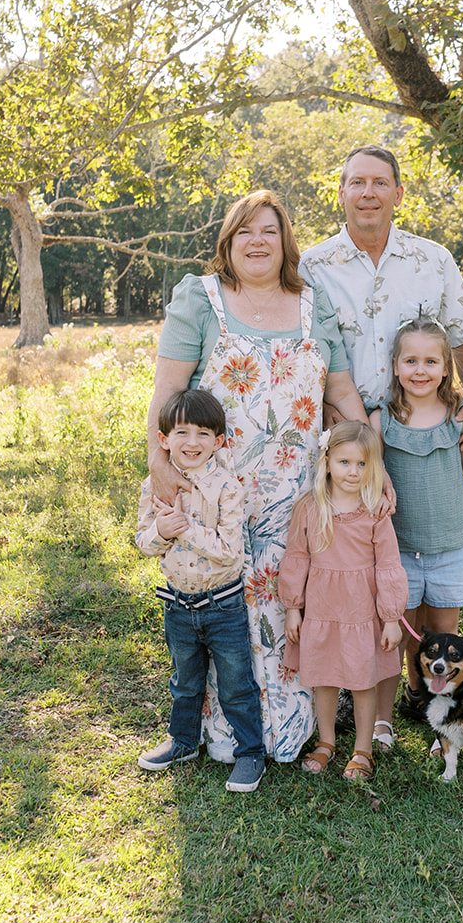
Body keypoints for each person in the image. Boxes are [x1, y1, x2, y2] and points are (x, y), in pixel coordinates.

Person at [147, 190, 371, 764]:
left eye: (269, 231)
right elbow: (167, 394)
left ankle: (288, 724)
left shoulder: (313, 305)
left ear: (285, 242)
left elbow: (341, 391)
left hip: (295, 497)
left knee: (287, 601)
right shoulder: (200, 300)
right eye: (245, 231)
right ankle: (216, 728)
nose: (257, 241)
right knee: (221, 608)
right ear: (228, 241)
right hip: (215, 496)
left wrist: (374, 464)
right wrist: (159, 463)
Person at [370, 317, 463, 745]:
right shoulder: (381, 420)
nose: (420, 370)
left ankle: (443, 725)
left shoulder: (459, 417)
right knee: (397, 639)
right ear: (395, 366)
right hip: (398, 553)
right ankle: (383, 721)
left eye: (431, 361)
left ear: (446, 367)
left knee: (443, 646)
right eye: (410, 361)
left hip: (449, 550)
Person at [298, 145, 463, 439]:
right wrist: (320, 405)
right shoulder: (310, 268)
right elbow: (294, 354)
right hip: (341, 435)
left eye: (380, 183)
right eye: (358, 182)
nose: (368, 193)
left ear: (398, 195)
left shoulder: (435, 261)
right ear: (341, 194)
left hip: (423, 430)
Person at [134, 388, 265, 792]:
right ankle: (183, 742)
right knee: (185, 682)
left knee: (236, 684)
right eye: (182, 433)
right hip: (177, 604)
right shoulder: (154, 485)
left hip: (222, 605)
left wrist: (185, 530)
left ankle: (250, 752)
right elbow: (143, 542)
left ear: (218, 441)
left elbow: (229, 552)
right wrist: (161, 531)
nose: (192, 442)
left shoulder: (228, 487)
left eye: (203, 434)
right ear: (164, 439)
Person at [278, 421, 408, 781]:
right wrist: (293, 608)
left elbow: (389, 565)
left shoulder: (375, 510)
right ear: (327, 461)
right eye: (345, 462)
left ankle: (363, 750)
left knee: (363, 681)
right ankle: (326, 741)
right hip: (322, 609)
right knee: (324, 678)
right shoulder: (310, 507)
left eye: (362, 464)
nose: (353, 472)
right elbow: (296, 558)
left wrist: (392, 617)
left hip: (361, 611)